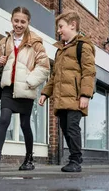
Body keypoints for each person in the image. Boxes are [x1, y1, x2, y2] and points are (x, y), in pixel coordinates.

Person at [0, 6, 50, 172]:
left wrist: (29, 82)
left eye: (23, 21)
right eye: (16, 21)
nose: (19, 24)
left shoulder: (35, 43)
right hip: (8, 87)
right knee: (4, 118)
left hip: (26, 89)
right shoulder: (5, 41)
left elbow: (44, 67)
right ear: (11, 20)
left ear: (28, 22)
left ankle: (29, 159)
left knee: (24, 124)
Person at [39, 11, 96, 173]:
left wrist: (85, 95)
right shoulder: (60, 51)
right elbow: (55, 76)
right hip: (62, 98)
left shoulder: (83, 47)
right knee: (64, 127)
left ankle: (75, 159)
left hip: (76, 97)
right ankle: (74, 157)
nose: (58, 30)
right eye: (58, 27)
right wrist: (45, 93)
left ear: (73, 25)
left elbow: (89, 72)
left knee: (72, 127)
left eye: (61, 26)